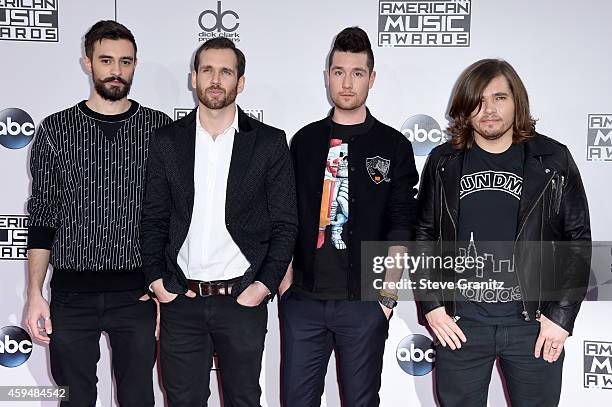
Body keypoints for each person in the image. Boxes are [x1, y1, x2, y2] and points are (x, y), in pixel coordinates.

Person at [415, 58, 591, 406]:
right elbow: (423, 236)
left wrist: (561, 316)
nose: (489, 110)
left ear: (517, 102)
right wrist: (432, 306)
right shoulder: (443, 162)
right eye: (478, 100)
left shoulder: (553, 159)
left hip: (533, 327)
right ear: (465, 108)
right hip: (461, 326)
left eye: (499, 97)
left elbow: (577, 242)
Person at [140, 37, 297, 407]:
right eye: (207, 69)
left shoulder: (269, 143)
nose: (215, 79)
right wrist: (158, 282)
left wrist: (262, 287)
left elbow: (286, 225)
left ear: (240, 82)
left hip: (241, 300)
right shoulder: (167, 141)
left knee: (244, 400)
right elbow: (153, 219)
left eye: (225, 71)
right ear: (193, 77)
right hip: (181, 300)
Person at [25, 20, 171, 406]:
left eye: (126, 62)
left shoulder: (160, 128)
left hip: (137, 295)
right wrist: (34, 294)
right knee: (74, 399)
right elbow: (42, 218)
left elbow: (173, 217)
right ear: (88, 63)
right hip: (71, 296)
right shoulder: (56, 130)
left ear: (135, 65)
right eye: (106, 60)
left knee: (139, 397)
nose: (116, 71)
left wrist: (163, 286)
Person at [279, 26, 419, 406]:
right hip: (303, 301)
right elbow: (287, 217)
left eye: (357, 73)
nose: (347, 82)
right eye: (339, 71)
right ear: (327, 76)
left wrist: (387, 297)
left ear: (371, 79)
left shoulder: (393, 145)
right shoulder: (304, 141)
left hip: (364, 303)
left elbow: (401, 225)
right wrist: (286, 286)